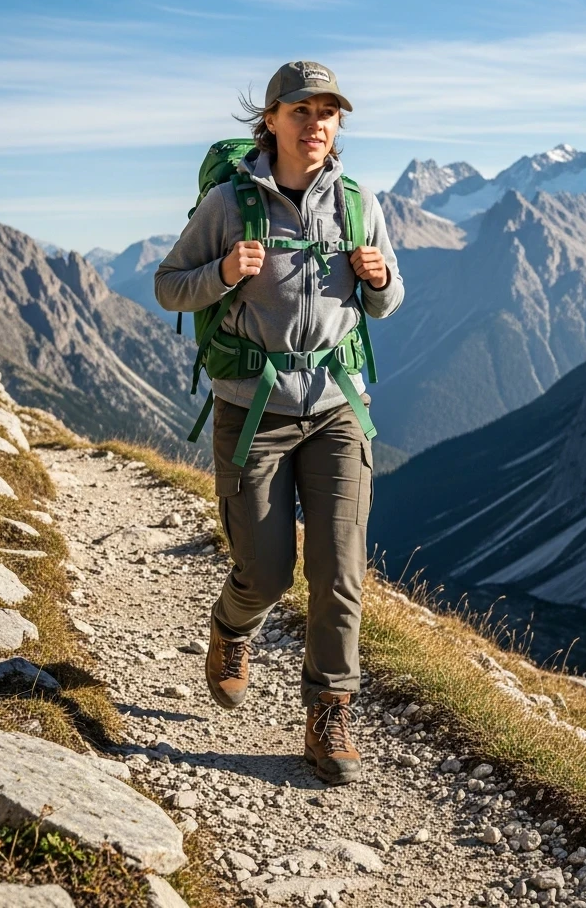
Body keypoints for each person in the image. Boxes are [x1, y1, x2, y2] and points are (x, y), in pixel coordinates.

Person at [154, 60, 404, 784]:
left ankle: (330, 714)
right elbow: (170, 285)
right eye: (301, 111)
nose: (317, 124)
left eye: (328, 112)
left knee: (339, 570)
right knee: (265, 571)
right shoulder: (231, 205)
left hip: (336, 408)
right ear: (270, 122)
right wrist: (225, 273)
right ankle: (233, 628)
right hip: (252, 407)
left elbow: (387, 300)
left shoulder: (358, 203)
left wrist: (381, 280)